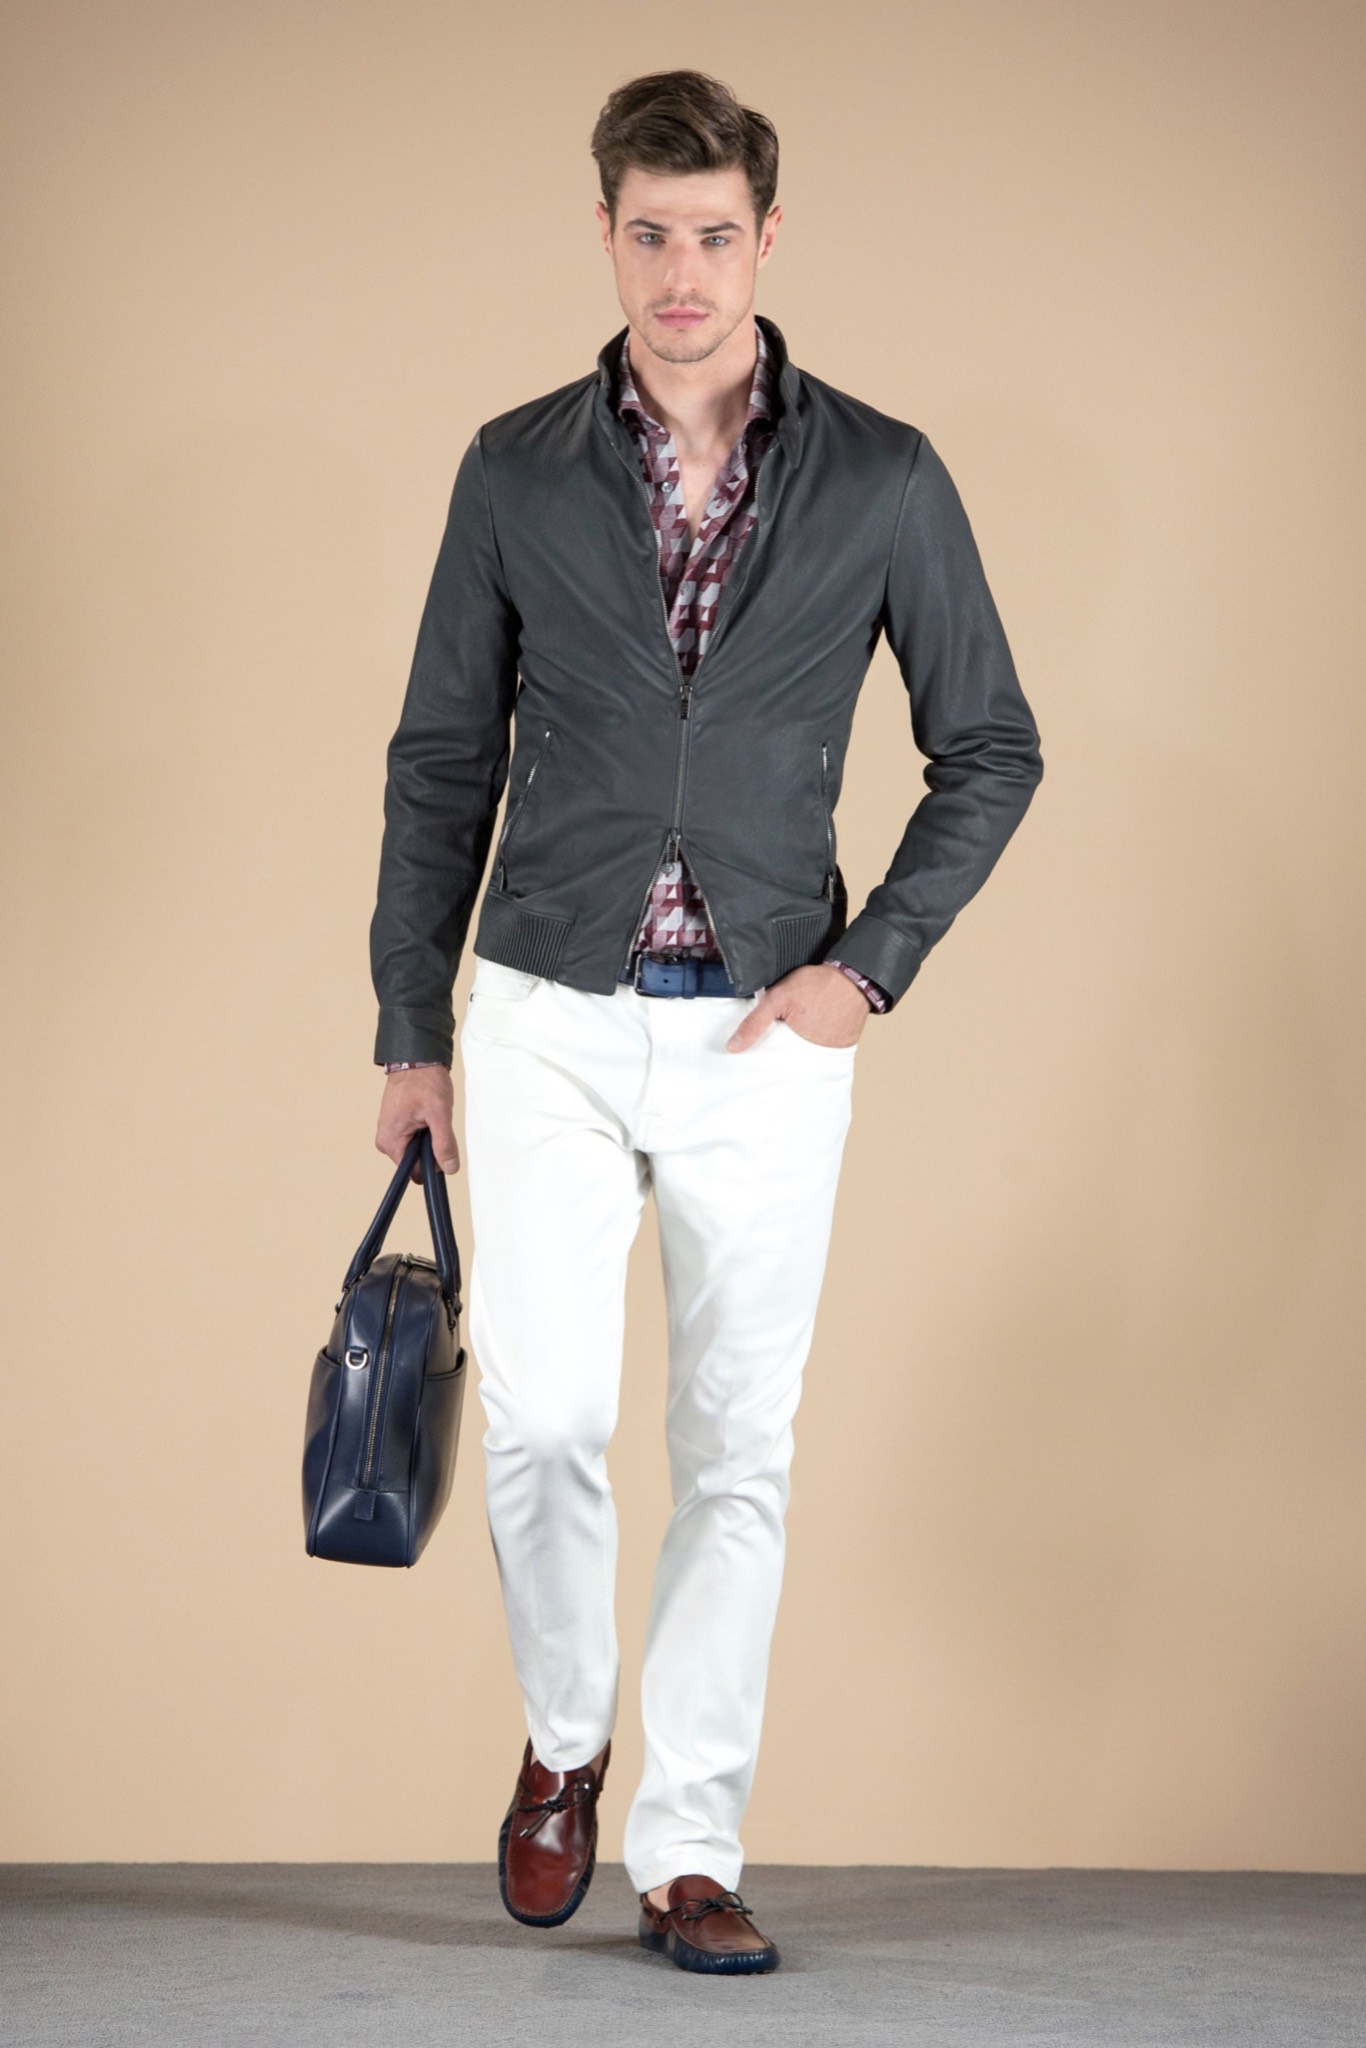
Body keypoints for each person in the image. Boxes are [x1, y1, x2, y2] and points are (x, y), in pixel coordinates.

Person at [368, 68, 1043, 1977]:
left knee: (737, 1444)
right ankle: (566, 1743)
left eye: (714, 235)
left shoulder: (882, 475)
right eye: (649, 234)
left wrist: (864, 969)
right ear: (604, 235)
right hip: (547, 1010)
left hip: (766, 1029)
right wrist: (411, 1032)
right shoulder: (512, 470)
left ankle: (687, 1847)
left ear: (766, 237)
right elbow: (440, 761)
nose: (682, 271)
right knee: (546, 1421)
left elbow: (991, 746)